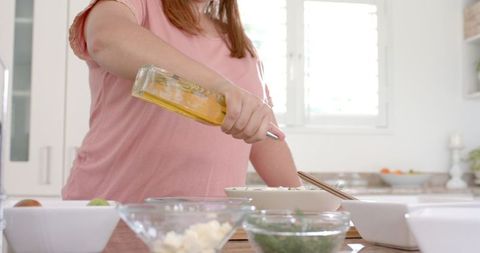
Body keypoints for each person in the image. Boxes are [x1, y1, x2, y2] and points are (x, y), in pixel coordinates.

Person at [62, 0, 301, 205]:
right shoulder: (139, 6)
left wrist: (307, 202)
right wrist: (219, 87)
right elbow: (106, 38)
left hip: (205, 235)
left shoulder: (243, 48)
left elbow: (264, 136)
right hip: (111, 220)